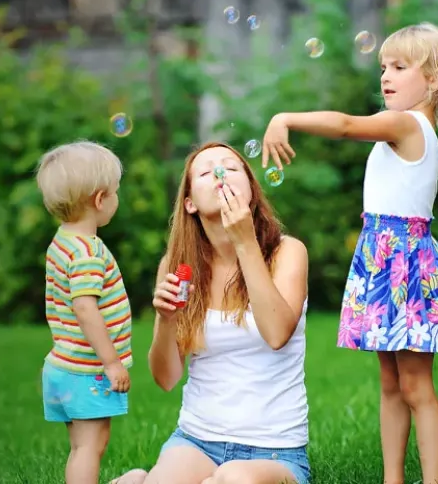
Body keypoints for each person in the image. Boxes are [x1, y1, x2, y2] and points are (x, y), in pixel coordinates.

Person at [255, 22, 438, 484]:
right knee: (391, 384)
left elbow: (345, 126)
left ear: (435, 80)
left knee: (416, 386)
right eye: (383, 66)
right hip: (383, 260)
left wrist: (286, 118)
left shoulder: (406, 124)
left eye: (400, 67)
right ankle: (392, 478)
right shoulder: (409, 126)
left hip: (404, 264)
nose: (385, 75)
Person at [111, 141, 313, 484]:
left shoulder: (287, 252)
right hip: (195, 441)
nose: (220, 174)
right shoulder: (176, 268)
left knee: (233, 479)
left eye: (232, 168)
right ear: (189, 202)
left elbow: (277, 333)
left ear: (250, 191)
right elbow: (166, 379)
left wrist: (245, 242)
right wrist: (166, 320)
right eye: (206, 172)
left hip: (275, 450)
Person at [33, 140, 136, 484]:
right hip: (86, 371)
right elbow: (85, 308)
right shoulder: (88, 252)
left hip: (63, 366)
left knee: (80, 446)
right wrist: (111, 362)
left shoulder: (62, 240)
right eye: (116, 192)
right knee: (91, 446)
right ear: (99, 199)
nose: (117, 199)